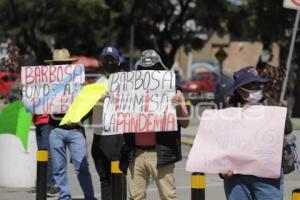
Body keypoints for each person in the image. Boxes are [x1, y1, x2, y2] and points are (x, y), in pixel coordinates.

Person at [119, 49, 190, 200]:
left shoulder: (174, 91)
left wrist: (176, 106)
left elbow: (185, 123)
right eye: (145, 69)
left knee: (167, 196)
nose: (149, 72)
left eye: (153, 68)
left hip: (161, 153)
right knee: (135, 197)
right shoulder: (131, 91)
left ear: (160, 69)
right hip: (136, 153)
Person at [221, 66, 293, 200]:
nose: (257, 88)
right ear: (240, 90)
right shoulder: (230, 110)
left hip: (267, 176)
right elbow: (219, 143)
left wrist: (273, 112)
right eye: (252, 85)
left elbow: (288, 128)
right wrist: (222, 171)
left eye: (259, 84)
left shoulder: (269, 104)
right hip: (237, 178)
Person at [47, 49, 96, 200]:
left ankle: (89, 197)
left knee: (82, 167)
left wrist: (80, 117)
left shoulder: (79, 83)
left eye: (64, 64)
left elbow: (88, 108)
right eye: (58, 64)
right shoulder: (47, 83)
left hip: (75, 129)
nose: (61, 67)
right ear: (54, 66)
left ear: (70, 64)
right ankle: (64, 197)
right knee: (58, 169)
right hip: (55, 129)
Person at [91, 46, 126, 200]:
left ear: (118, 62)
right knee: (104, 178)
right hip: (98, 135)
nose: (109, 61)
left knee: (118, 178)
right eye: (106, 59)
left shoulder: (125, 82)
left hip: (115, 135)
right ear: (101, 61)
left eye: (112, 59)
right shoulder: (97, 82)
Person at [33, 114, 59, 196]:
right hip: (38, 122)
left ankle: (50, 185)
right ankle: (42, 184)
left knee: (47, 155)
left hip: (47, 123)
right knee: (41, 155)